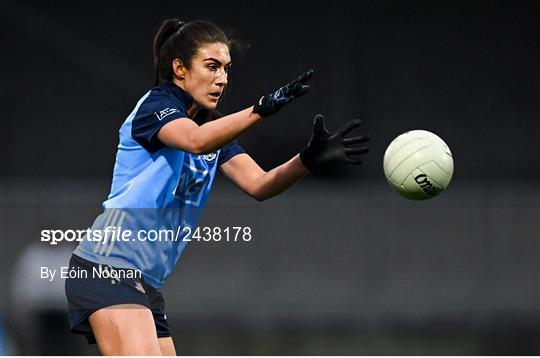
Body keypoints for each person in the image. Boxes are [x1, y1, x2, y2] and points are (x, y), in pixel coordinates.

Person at [65, 18, 369, 355]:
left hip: (145, 282)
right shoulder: (156, 107)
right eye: (211, 67)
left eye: (226, 68)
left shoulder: (212, 132)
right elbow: (194, 142)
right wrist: (260, 110)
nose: (221, 79)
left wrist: (306, 160)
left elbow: (259, 184)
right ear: (179, 69)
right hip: (110, 267)